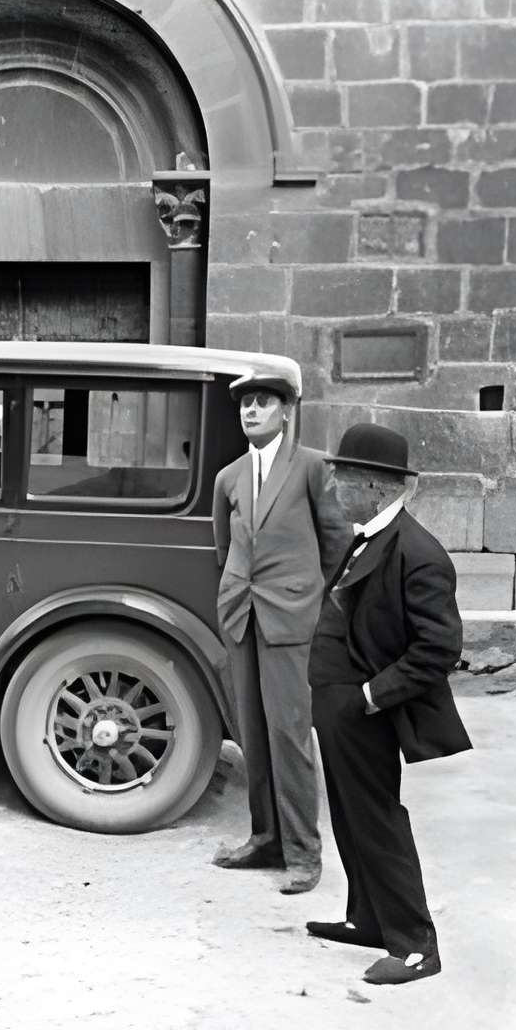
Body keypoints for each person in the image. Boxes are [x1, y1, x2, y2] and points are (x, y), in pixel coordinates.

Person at [304, 422, 470, 985]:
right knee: (350, 819)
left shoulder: (419, 553)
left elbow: (438, 648)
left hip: (364, 708)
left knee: (378, 820)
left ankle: (417, 945)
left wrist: (372, 696)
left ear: (375, 485)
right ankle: (368, 920)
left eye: (343, 476)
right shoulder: (364, 536)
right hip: (337, 705)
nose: (334, 486)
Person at [206, 371, 341, 894]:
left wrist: (308, 600)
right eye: (245, 404)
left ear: (286, 410)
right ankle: (265, 839)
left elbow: (336, 543)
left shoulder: (311, 468)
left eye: (263, 402)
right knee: (252, 735)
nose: (251, 411)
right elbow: (224, 549)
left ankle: (305, 853)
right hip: (242, 616)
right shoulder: (229, 477)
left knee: (289, 735)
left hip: (290, 620)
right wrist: (235, 594)